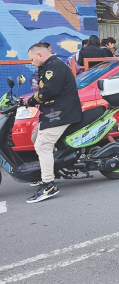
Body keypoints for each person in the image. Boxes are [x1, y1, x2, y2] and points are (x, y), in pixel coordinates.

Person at [23, 44, 82, 203]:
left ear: (40, 55)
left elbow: (48, 91)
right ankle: (46, 172)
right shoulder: (49, 66)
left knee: (43, 145)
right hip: (53, 112)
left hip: (61, 113)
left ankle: (49, 185)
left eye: (32, 59)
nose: (31, 62)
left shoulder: (54, 67)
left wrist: (29, 101)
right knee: (36, 138)